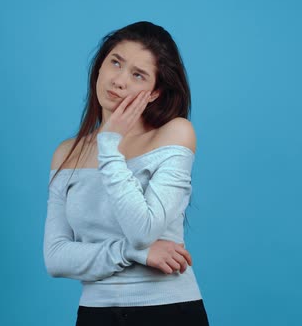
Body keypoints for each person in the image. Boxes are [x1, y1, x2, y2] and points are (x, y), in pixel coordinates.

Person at [43, 21, 209, 326]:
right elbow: (55, 257)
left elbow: (143, 229)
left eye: (138, 75)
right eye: (115, 63)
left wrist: (108, 144)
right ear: (100, 66)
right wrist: (137, 254)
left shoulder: (174, 134)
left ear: (155, 92)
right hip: (95, 315)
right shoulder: (66, 153)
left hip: (168, 311)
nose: (119, 81)